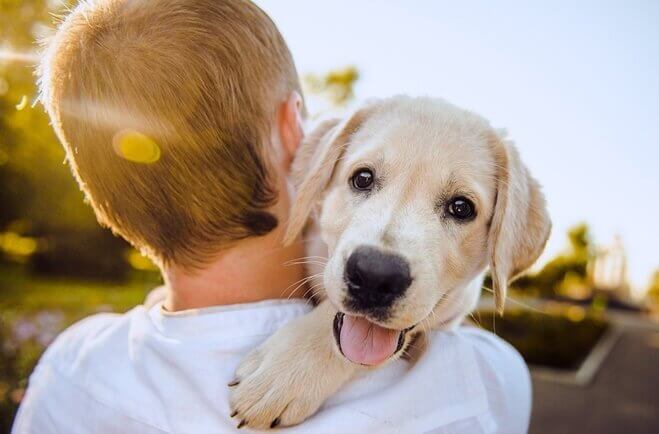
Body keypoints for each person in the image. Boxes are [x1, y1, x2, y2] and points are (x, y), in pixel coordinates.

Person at [12, 0, 531, 432]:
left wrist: (325, 344)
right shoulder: (482, 384)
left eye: (458, 208)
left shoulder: (69, 370)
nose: (383, 250)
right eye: (364, 180)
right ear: (294, 132)